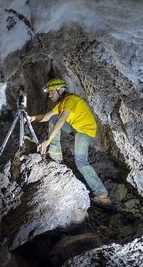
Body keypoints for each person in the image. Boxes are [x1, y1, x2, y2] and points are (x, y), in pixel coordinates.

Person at [28, 78, 111, 206]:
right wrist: (31, 118)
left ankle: (102, 195)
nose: (50, 95)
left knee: (81, 162)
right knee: (53, 119)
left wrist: (48, 140)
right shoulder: (61, 103)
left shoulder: (70, 100)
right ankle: (56, 156)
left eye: (52, 92)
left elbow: (62, 120)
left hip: (85, 131)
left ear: (60, 90)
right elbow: (47, 116)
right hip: (77, 128)